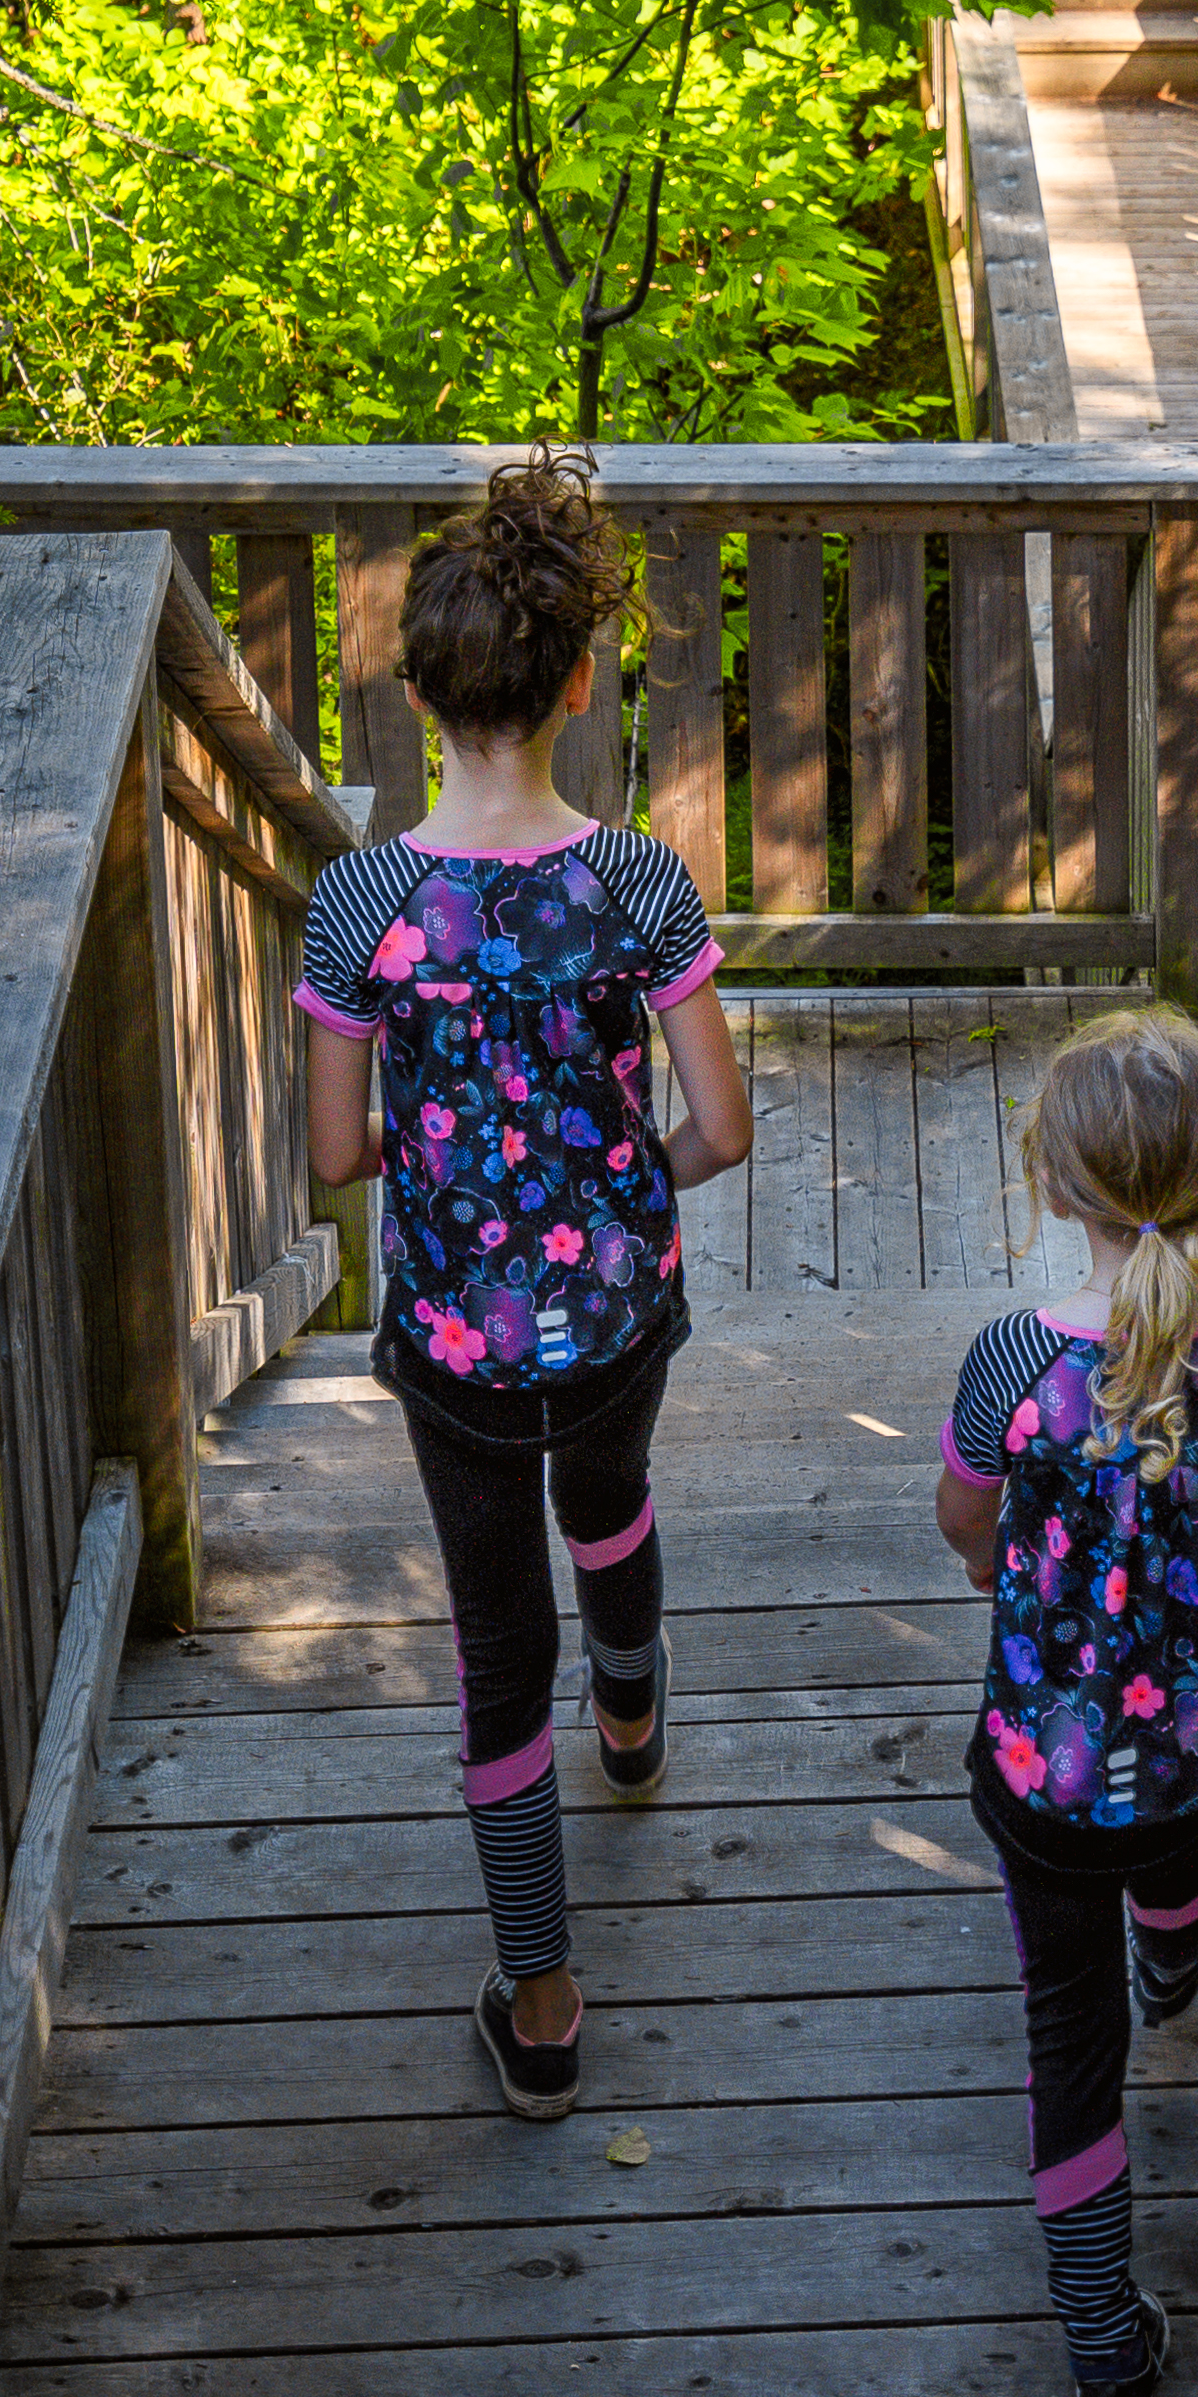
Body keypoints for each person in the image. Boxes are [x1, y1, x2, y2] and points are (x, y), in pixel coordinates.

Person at [298, 454, 751, 2119]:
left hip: (452, 1343)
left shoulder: (364, 906)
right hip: (621, 1309)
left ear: (419, 693)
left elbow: (337, 1160)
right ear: (579, 680)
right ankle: (632, 1708)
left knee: (496, 1648)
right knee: (613, 1494)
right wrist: (625, 1193)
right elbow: (724, 1124)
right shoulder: (638, 885)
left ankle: (545, 2005)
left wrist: (458, 1191)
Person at [934, 1009, 1198, 2397]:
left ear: (1053, 1184)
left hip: (1040, 1774)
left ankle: (1107, 2358)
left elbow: (966, 1523)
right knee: (1177, 1868)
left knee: (1070, 2048)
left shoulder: (1006, 1365)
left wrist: (999, 1567)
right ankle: (1177, 1941)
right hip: (1190, 1760)